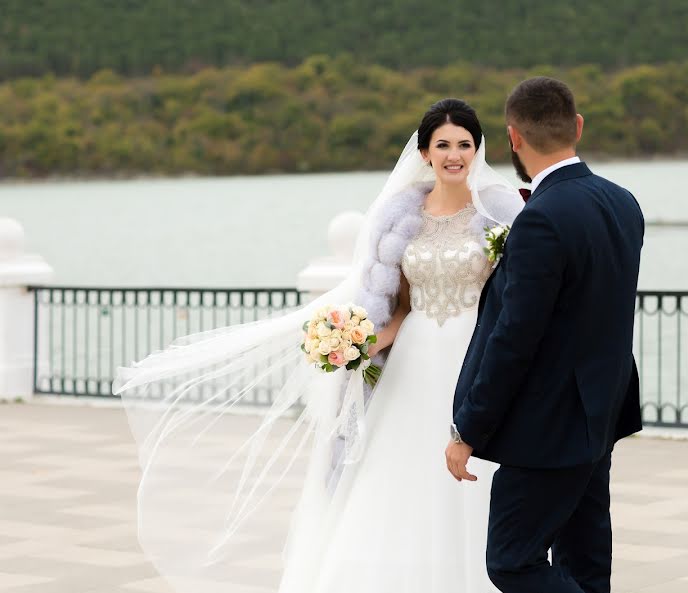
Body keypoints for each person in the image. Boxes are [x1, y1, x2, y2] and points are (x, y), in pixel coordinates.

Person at [114, 99, 523, 593]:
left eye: (464, 144)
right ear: (424, 152)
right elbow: (400, 307)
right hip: (412, 365)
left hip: (473, 359)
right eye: (443, 145)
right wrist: (356, 344)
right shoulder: (401, 215)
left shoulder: (500, 213)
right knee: (399, 478)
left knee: (472, 475)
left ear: (478, 150)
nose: (454, 154)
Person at [447, 77, 644, 593]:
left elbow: (515, 338)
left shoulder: (541, 219)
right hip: (600, 413)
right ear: (577, 126)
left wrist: (469, 428)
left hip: (549, 428)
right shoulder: (624, 203)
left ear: (513, 138)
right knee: (584, 563)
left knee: (512, 561)